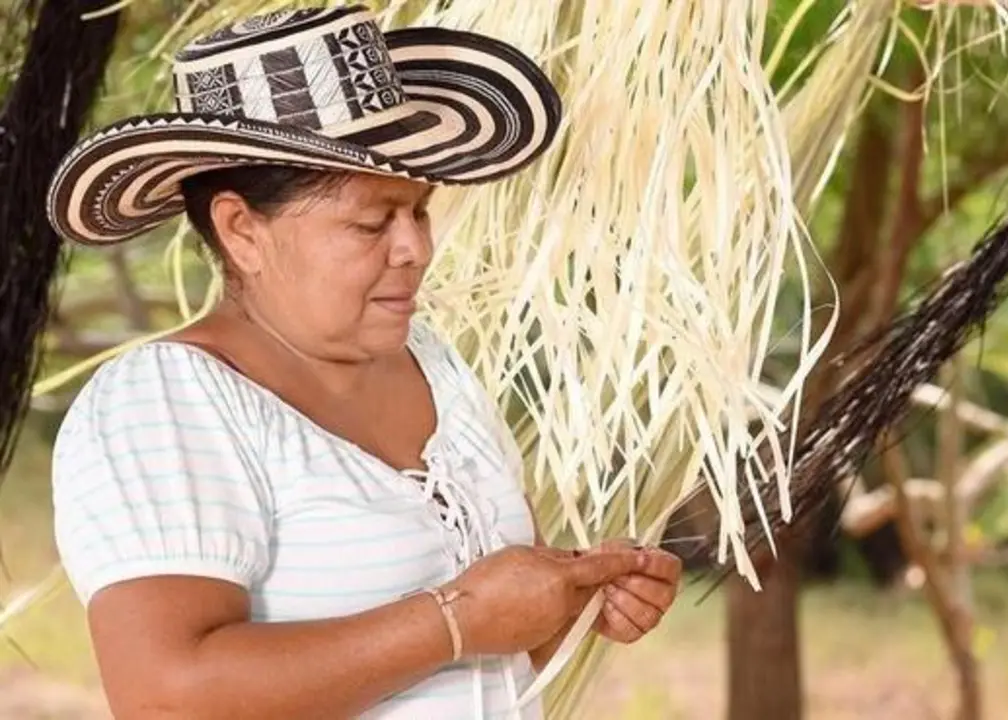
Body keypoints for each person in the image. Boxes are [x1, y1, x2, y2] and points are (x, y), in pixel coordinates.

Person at [44, 7, 681, 719]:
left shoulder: (437, 368)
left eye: (420, 212)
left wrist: (570, 598)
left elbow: (488, 651)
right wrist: (455, 619)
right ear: (241, 230)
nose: (414, 249)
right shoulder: (164, 406)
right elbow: (168, 696)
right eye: (371, 222)